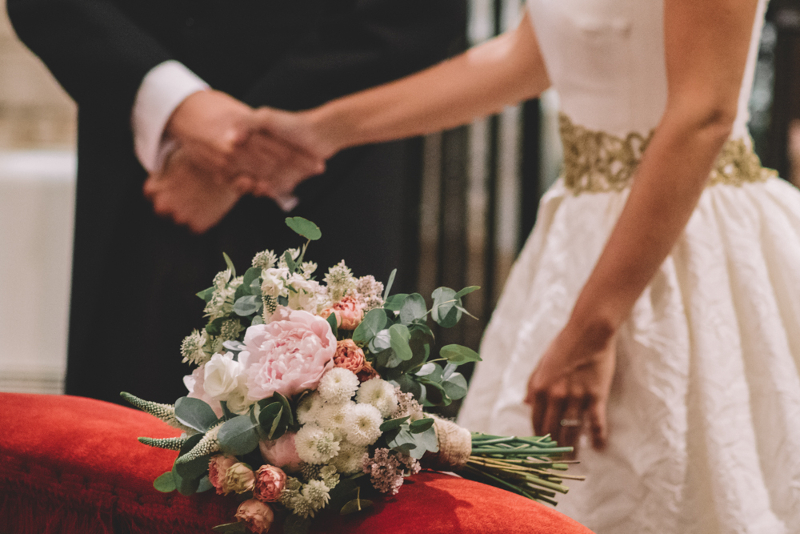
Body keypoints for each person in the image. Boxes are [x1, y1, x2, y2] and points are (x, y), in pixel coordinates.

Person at [215, 0, 800, 532]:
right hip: (574, 242)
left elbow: (704, 114)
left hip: (685, 243)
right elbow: (531, 53)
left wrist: (594, 328)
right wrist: (324, 130)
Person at [5, 0, 466, 404]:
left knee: (309, 457)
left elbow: (415, 14)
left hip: (325, 187)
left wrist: (237, 155)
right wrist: (178, 105)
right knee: (118, 451)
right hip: (134, 174)